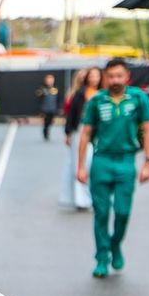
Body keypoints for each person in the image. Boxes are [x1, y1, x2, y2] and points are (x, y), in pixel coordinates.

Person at [78, 58, 149, 278]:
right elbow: (85, 134)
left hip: (126, 161)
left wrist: (148, 163)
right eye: (111, 76)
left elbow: (148, 130)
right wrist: (81, 166)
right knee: (101, 213)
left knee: (122, 212)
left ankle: (115, 245)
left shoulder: (139, 98)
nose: (115, 80)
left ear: (127, 76)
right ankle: (102, 257)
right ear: (105, 77)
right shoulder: (96, 101)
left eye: (119, 76)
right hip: (102, 160)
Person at [60, 66, 102, 211]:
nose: (94, 79)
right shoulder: (80, 94)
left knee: (94, 165)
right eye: (91, 76)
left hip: (97, 135)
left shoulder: (103, 94)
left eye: (97, 76)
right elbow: (71, 114)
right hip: (80, 131)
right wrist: (68, 132)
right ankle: (81, 199)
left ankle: (93, 197)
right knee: (80, 163)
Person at [37, 73, 61, 141]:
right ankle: (45, 132)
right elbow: (39, 99)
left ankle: (47, 129)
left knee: (50, 121)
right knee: (46, 121)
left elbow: (58, 99)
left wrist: (58, 107)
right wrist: (40, 110)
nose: (50, 81)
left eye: (51, 80)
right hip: (45, 109)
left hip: (53, 108)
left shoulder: (55, 89)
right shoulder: (42, 89)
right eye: (49, 80)